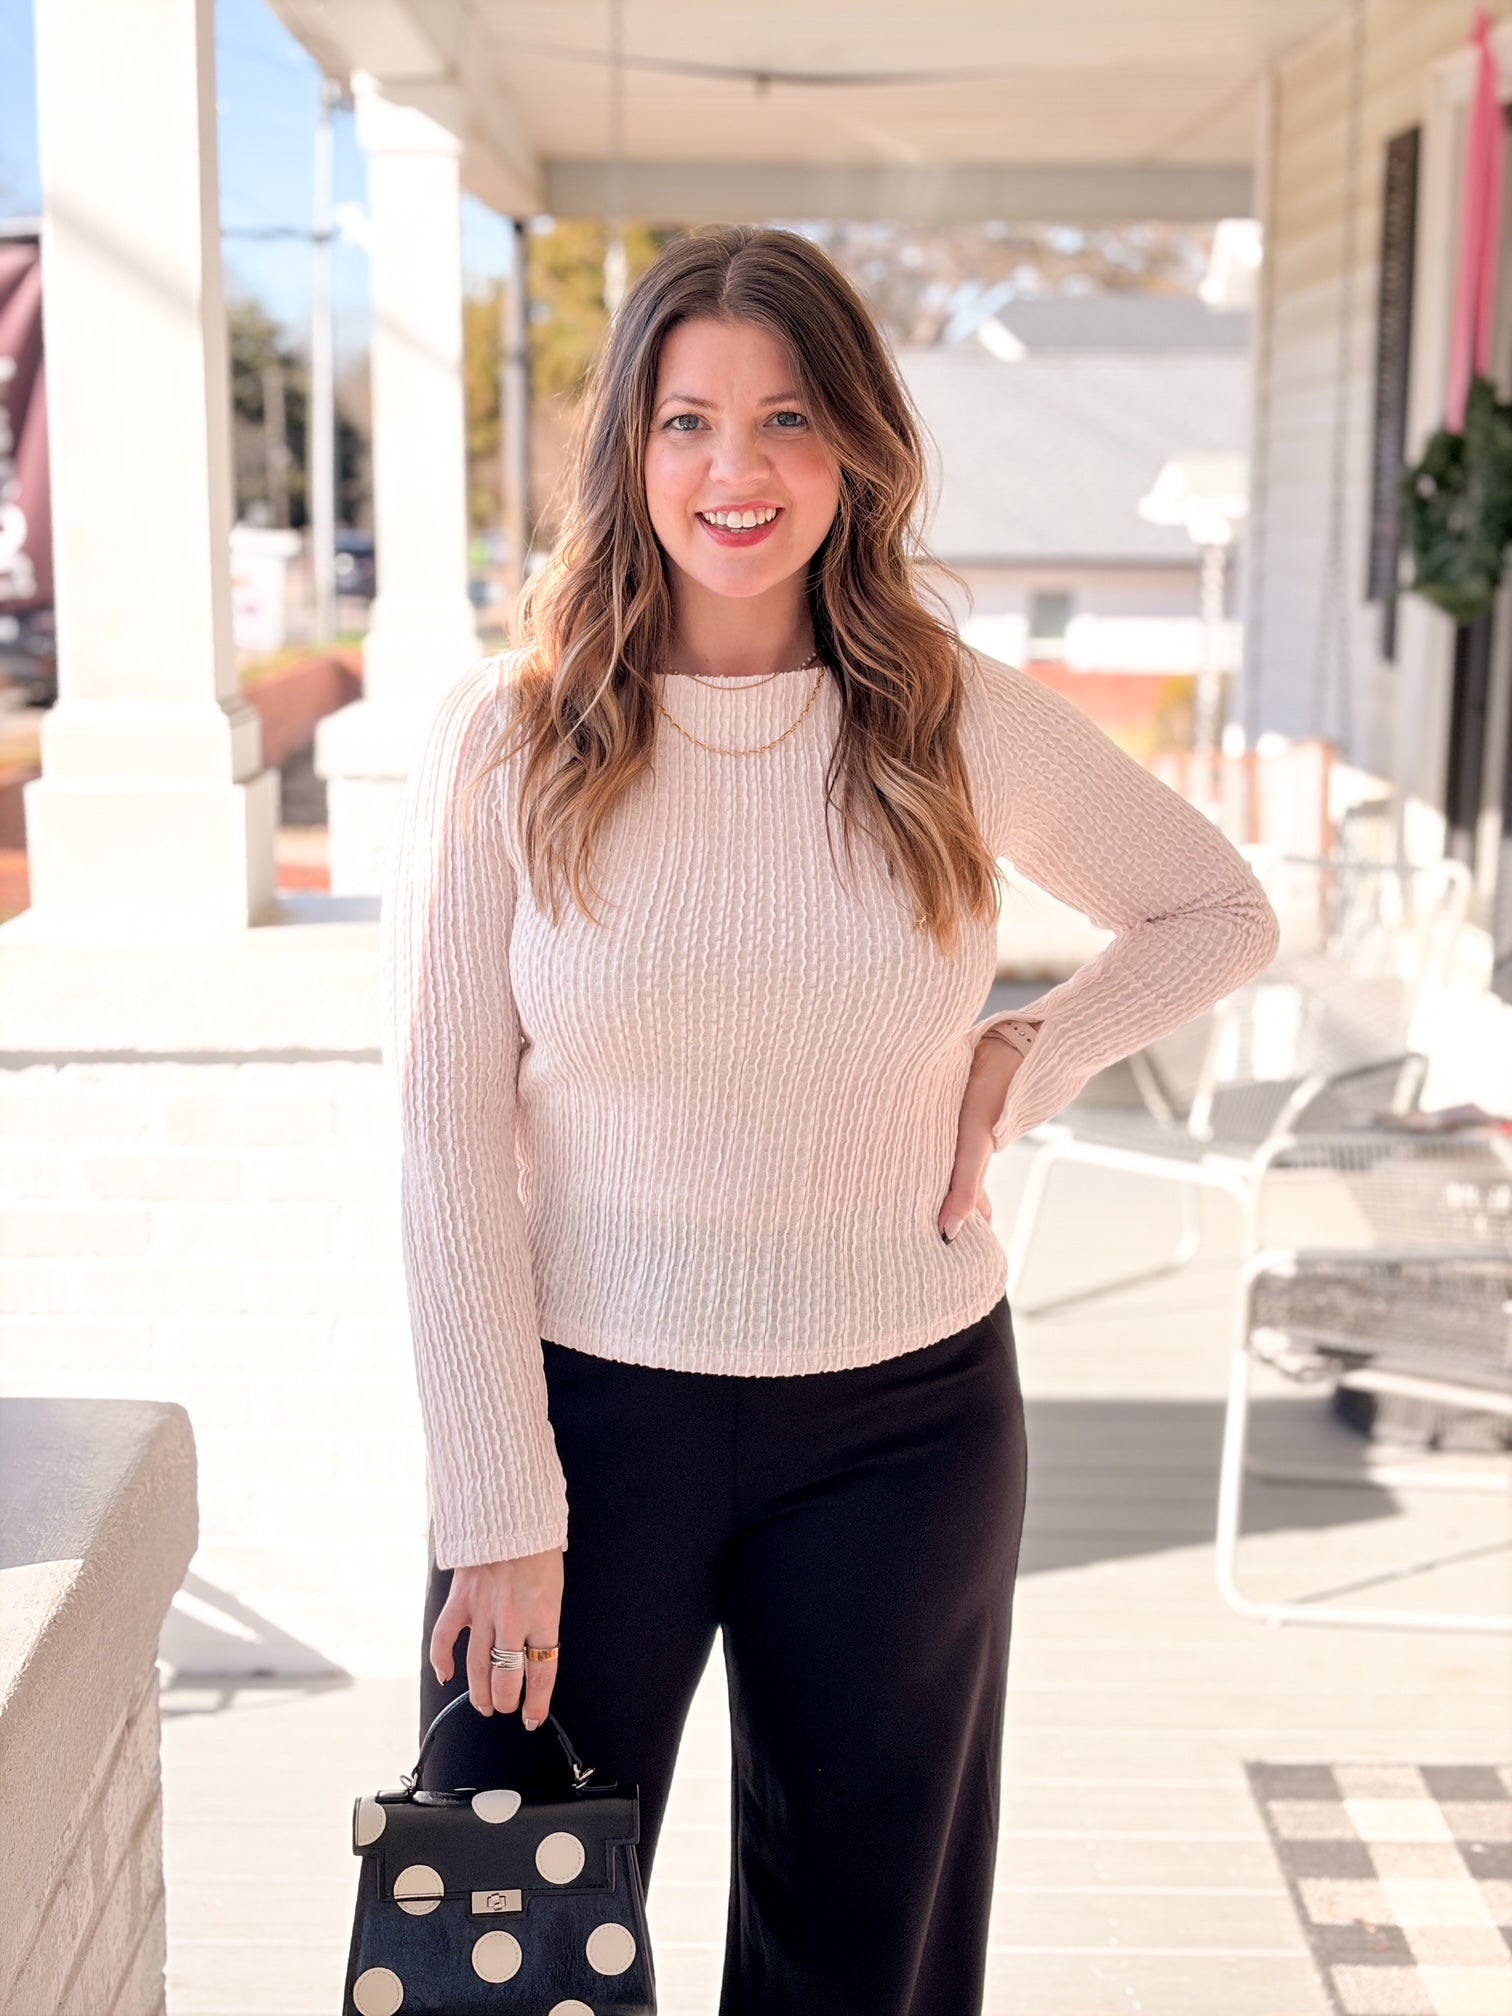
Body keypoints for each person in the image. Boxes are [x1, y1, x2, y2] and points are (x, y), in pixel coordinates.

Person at [378, 224, 1282, 2016]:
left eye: (787, 417)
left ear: (855, 444)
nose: (739, 469)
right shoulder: (509, 736)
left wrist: (1033, 1053)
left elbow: (1216, 910)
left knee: (860, 1970)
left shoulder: (950, 719)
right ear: (630, 450)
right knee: (500, 1957)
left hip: (902, 1427)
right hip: (580, 1431)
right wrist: (498, 1498)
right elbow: (442, 1136)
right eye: (690, 420)